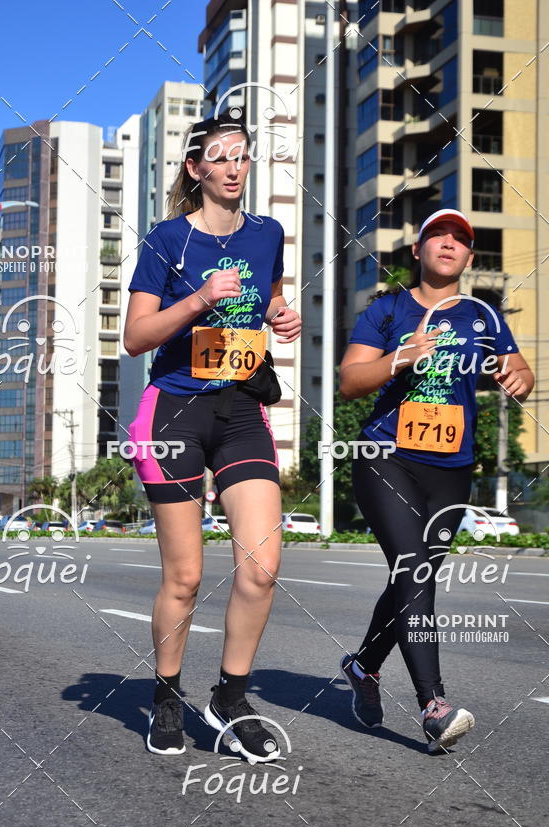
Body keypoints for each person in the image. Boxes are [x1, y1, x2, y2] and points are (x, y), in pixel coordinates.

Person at [124, 114, 301, 761]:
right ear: (197, 169)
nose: (233, 168)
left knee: (261, 567)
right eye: (220, 158)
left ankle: (230, 694)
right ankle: (166, 694)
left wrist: (280, 315)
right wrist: (199, 298)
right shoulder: (167, 240)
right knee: (186, 577)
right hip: (172, 413)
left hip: (242, 410)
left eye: (243, 157)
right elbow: (137, 337)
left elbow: (268, 298)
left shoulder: (267, 234)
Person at [338, 209, 534, 753]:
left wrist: (517, 376)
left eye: (461, 240)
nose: (449, 244)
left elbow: (520, 370)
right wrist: (402, 356)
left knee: (410, 580)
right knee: (413, 571)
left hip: (452, 469)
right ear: (419, 250)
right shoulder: (388, 309)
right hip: (387, 458)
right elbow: (351, 380)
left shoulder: (482, 314)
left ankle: (363, 666)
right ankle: (434, 704)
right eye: (437, 236)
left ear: (469, 257)